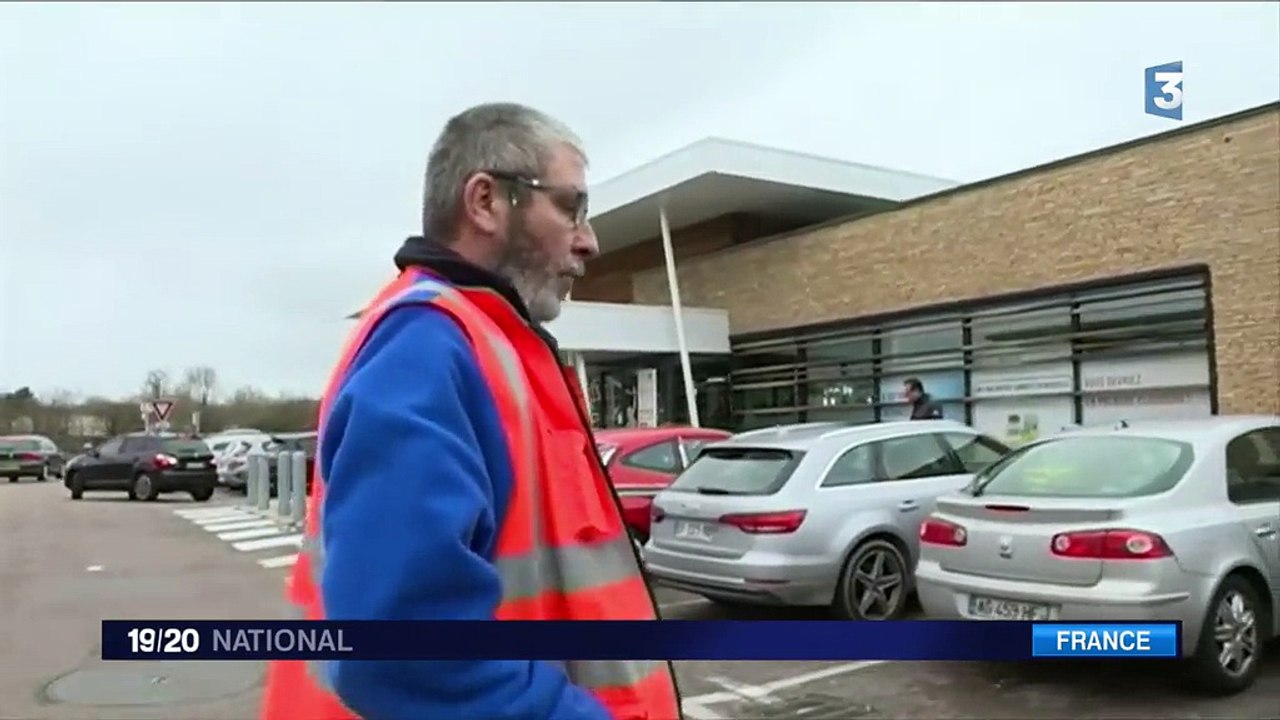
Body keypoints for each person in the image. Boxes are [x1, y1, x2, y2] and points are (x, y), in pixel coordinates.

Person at [260, 103, 682, 720]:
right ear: (485, 202)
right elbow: (401, 651)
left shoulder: (488, 343)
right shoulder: (429, 347)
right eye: (570, 208)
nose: (588, 240)